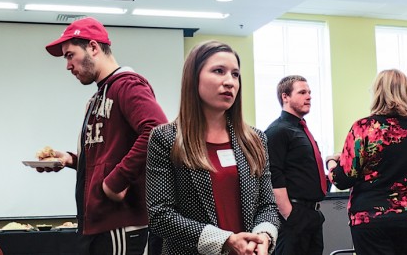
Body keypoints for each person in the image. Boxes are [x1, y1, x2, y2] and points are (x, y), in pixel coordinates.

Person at [36, 17, 168, 255]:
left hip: (120, 226)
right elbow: (106, 157)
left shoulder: (127, 85)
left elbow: (157, 130)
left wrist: (116, 181)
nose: (67, 65)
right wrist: (71, 160)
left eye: (70, 55)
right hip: (99, 226)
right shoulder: (98, 96)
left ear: (93, 47)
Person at [146, 40, 279, 255]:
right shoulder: (165, 138)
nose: (230, 82)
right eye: (219, 71)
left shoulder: (255, 139)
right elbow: (160, 215)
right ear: (194, 77)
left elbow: (267, 206)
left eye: (235, 74)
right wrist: (225, 240)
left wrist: (263, 236)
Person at [327, 69, 407, 255]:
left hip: (371, 216)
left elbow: (343, 179)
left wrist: (332, 163)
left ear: (377, 92)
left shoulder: (363, 128)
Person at [265, 75, 327, 255]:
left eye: (309, 92)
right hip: (294, 216)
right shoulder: (278, 131)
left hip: (312, 215)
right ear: (285, 97)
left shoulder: (301, 129)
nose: (309, 96)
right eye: (302, 92)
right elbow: (272, 173)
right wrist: (289, 215)